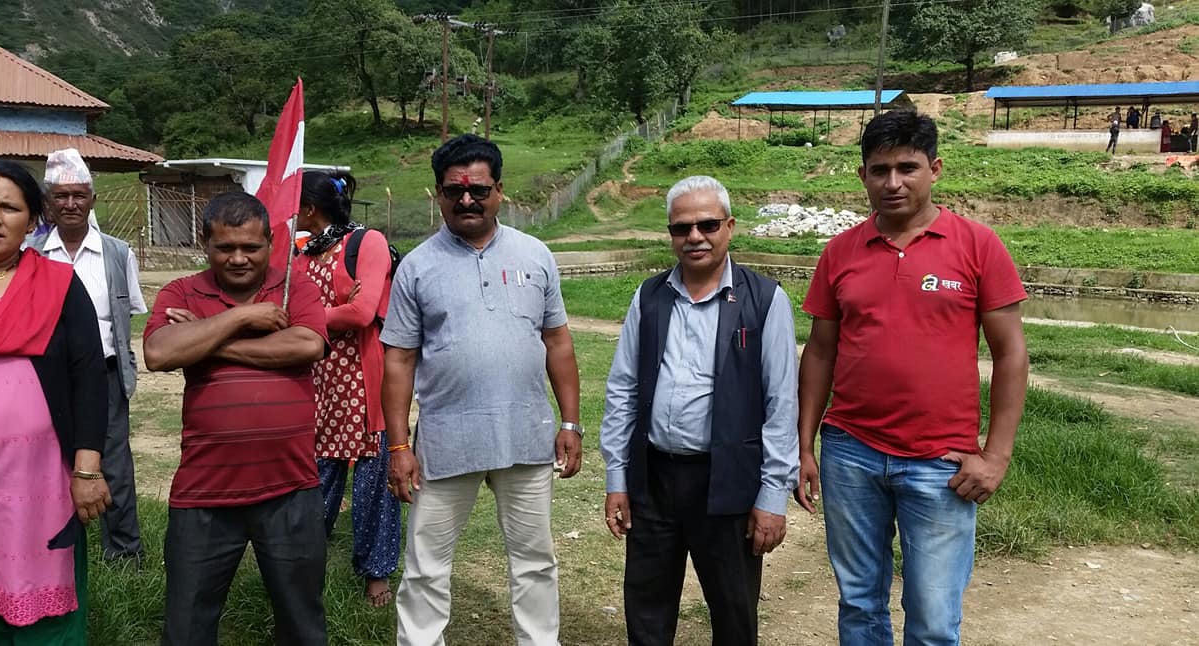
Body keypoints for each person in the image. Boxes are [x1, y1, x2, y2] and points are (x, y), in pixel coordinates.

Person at [795, 110, 1028, 645]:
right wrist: (804, 445)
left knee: (933, 617)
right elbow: (821, 352)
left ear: (935, 169)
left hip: (941, 462)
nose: (893, 183)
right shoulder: (840, 252)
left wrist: (996, 456)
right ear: (863, 175)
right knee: (859, 602)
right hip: (850, 453)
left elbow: (1011, 353)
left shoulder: (977, 245)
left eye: (908, 167)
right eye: (880, 170)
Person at [382, 133, 583, 646]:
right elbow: (399, 360)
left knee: (535, 561)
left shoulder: (535, 255)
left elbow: (557, 341)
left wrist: (570, 423)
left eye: (479, 190)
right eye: (455, 191)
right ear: (438, 194)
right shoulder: (416, 267)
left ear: (500, 191)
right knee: (426, 565)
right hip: (447, 442)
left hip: (526, 437)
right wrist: (399, 446)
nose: (467, 200)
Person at [598, 175, 799, 646]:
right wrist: (617, 480)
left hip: (728, 481)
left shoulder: (764, 300)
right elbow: (623, 389)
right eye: (681, 227)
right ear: (670, 233)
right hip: (654, 480)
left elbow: (781, 403)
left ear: (729, 226)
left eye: (707, 224)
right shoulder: (649, 297)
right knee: (646, 611)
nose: (694, 236)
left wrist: (773, 497)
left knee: (733, 612)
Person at [143, 191, 329, 646]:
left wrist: (207, 340)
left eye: (251, 246)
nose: (239, 258)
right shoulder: (181, 291)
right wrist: (245, 316)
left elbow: (307, 345)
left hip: (290, 488)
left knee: (302, 625)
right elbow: (159, 352)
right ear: (205, 243)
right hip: (204, 492)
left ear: (271, 242)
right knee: (186, 629)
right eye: (225, 247)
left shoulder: (295, 288)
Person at [0, 159, 111, 642]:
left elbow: (89, 376)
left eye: (9, 208)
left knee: (45, 604)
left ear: (33, 220)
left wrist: (88, 470)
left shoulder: (58, 285)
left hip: (43, 480)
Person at [31, 148, 148, 566]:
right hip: (47, 376)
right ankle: (52, 549)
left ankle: (124, 552)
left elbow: (127, 314)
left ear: (92, 200)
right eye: (60, 196)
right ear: (47, 203)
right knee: (48, 460)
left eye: (79, 195)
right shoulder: (32, 254)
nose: (70, 204)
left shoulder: (118, 253)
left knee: (114, 462)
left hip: (106, 374)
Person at [292, 170, 400, 608]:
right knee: (314, 481)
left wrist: (309, 316)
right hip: (315, 382)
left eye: (292, 206)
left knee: (374, 484)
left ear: (309, 208)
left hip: (364, 383)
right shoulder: (302, 253)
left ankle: (376, 571)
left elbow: (362, 313)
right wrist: (333, 310)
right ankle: (302, 567)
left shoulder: (365, 242)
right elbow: (285, 308)